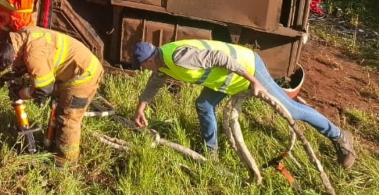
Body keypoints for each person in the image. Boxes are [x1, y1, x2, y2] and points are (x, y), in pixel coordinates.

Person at [133, 40, 356, 168]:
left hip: (247, 67)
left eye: (144, 66)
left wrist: (254, 81)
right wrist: (141, 107)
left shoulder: (179, 57)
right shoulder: (161, 64)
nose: (147, 70)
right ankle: (211, 154)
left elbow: (221, 59)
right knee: (203, 104)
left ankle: (339, 136)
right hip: (227, 80)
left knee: (291, 110)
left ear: (149, 60)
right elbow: (155, 82)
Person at [0, 27, 102, 166]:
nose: (14, 67)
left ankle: (66, 161)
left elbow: (43, 89)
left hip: (84, 76)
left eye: (12, 64)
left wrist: (21, 93)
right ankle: (53, 141)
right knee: (57, 104)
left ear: (13, 56)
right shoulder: (20, 36)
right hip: (73, 68)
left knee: (68, 118)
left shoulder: (33, 55)